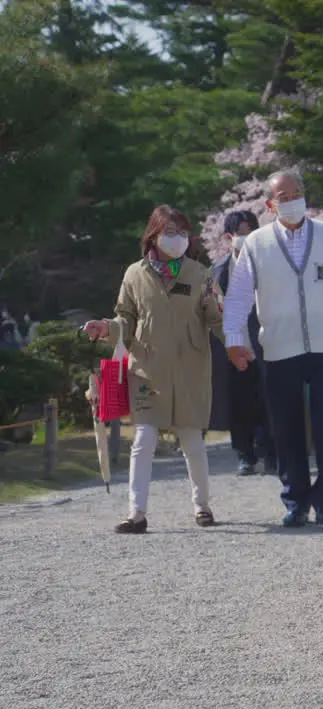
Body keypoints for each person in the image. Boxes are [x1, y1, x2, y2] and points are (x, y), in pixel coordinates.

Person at [222, 168, 323, 528]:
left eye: (297, 192)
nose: (292, 199)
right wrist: (235, 340)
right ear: (269, 204)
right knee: (286, 427)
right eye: (283, 196)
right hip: (280, 346)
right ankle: (296, 499)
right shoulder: (256, 243)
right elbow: (237, 297)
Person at [83, 205, 223, 533]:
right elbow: (125, 317)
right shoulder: (134, 274)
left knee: (192, 440)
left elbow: (219, 317)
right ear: (154, 235)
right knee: (143, 439)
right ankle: (136, 513)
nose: (177, 239)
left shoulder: (201, 274)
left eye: (183, 232)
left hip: (190, 369)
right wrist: (106, 327)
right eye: (170, 232)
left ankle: (202, 507)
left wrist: (237, 344)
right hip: (146, 369)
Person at [209, 210, 276, 476]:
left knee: (269, 403)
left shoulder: (269, 264)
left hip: (265, 345)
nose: (245, 237)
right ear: (229, 237)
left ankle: (272, 454)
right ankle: (244, 454)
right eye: (240, 232)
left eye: (250, 231)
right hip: (233, 348)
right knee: (238, 404)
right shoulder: (218, 270)